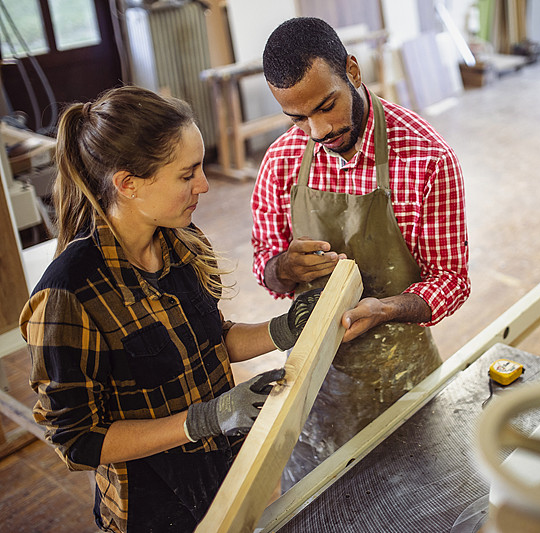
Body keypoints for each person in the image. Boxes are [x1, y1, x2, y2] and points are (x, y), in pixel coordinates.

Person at [18, 86, 321, 532]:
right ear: (127, 184)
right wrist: (203, 419)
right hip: (153, 506)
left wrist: (282, 329)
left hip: (221, 471)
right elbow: (77, 440)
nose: (205, 184)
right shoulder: (68, 294)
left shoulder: (180, 241)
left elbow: (211, 340)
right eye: (187, 174)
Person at [252, 17, 470, 488]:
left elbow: (451, 278)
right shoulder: (282, 161)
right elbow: (264, 264)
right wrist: (283, 267)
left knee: (421, 501)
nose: (318, 130)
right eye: (298, 118)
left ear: (352, 70)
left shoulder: (427, 158)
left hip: (405, 377)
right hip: (315, 379)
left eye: (326, 106)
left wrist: (387, 308)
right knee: (318, 503)